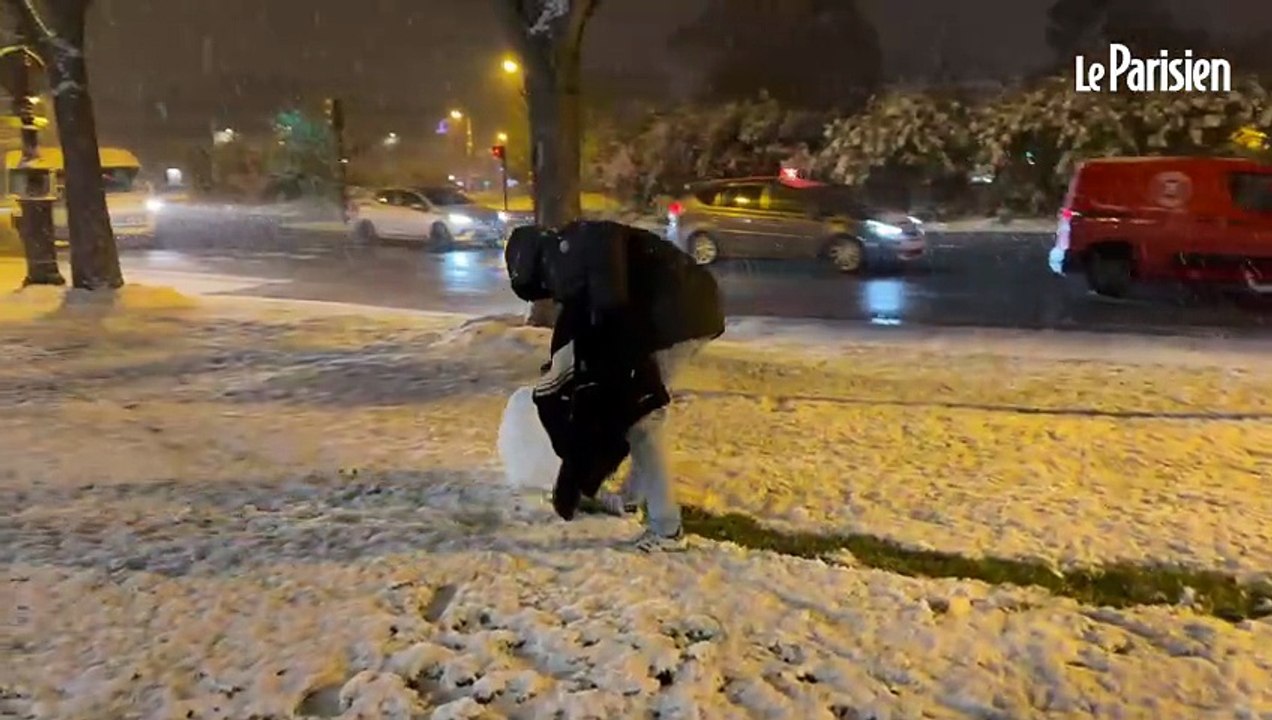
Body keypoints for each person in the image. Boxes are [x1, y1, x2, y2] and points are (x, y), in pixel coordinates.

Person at [506, 220, 724, 552]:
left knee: (642, 419)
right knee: (637, 412)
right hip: (685, 312)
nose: (551, 295)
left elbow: (612, 311)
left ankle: (667, 531)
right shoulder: (577, 247)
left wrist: (577, 474)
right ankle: (635, 500)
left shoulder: (576, 251)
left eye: (543, 287)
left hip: (678, 318)